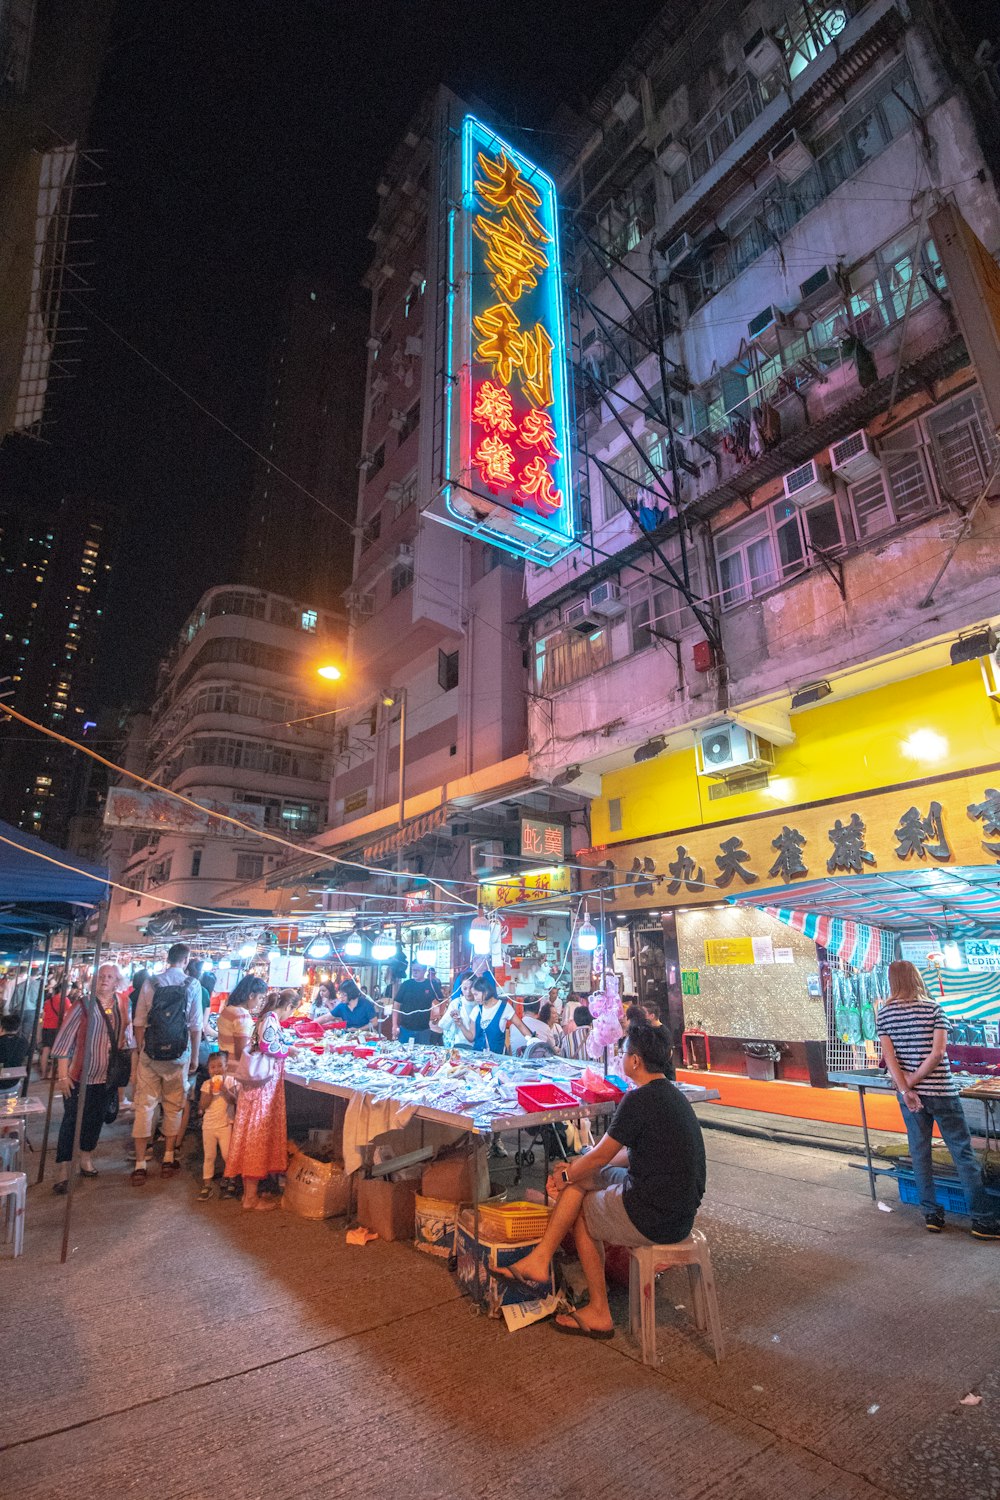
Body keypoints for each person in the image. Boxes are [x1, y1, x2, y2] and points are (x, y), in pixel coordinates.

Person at [503, 1023, 707, 1336]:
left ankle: (599, 1310)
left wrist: (570, 1172)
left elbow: (600, 1156)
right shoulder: (672, 1096)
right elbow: (618, 1155)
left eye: (624, 1052)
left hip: (655, 1217)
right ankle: (540, 1260)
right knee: (583, 1180)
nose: (621, 1058)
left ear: (635, 1061)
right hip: (680, 1213)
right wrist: (578, 1169)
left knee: (583, 1208)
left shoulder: (638, 1100)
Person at [877, 960, 1000, 1239]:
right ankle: (983, 1221)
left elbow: (890, 1057)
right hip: (942, 1092)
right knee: (963, 1155)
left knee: (920, 1154)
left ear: (892, 981)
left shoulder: (884, 1014)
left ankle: (932, 1216)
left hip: (910, 1097)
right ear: (918, 978)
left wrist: (906, 1087)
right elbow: (937, 1054)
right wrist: (914, 1082)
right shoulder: (933, 1009)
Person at [51, 963, 131, 1193]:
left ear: (117, 981)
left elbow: (127, 1038)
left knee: (94, 1120)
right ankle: (63, 1167)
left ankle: (85, 1157)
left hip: (107, 1077)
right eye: (101, 976)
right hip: (79, 1077)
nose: (105, 980)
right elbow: (64, 1040)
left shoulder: (124, 1004)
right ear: (94, 980)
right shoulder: (82, 1005)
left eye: (110, 977)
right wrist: (63, 1075)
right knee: (71, 1122)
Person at [130, 943, 203, 1186]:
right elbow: (195, 1026)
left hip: (150, 1055)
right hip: (179, 1056)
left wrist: (142, 1048)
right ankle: (169, 1158)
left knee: (145, 1106)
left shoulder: (150, 983)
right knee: (174, 1106)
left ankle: (140, 1163)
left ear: (168, 958)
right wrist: (193, 1058)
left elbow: (138, 1021)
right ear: (186, 960)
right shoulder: (193, 984)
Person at [227, 987, 297, 1210]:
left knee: (254, 1137)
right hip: (261, 1089)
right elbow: (268, 1046)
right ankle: (250, 1198)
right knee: (255, 1138)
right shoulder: (270, 1019)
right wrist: (290, 1051)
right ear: (288, 1007)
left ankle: (252, 1193)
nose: (290, 1016)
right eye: (292, 1011)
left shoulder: (266, 1018)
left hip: (261, 1087)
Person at [198, 1050, 236, 1201]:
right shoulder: (205, 1084)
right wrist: (209, 1092)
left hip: (225, 1124)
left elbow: (234, 1101)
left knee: (227, 1155)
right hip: (209, 1125)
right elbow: (202, 1106)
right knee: (209, 1156)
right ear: (209, 1070)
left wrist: (224, 1091)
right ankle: (207, 1184)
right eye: (213, 1067)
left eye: (220, 1065)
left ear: (226, 1067)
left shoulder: (230, 1081)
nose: (216, 1069)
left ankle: (231, 1179)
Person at [471, 975, 532, 1054]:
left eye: (476, 994)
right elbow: (471, 1037)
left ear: (485, 992)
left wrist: (532, 1040)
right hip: (477, 1059)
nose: (475, 998)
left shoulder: (504, 1007)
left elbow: (520, 1025)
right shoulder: (476, 1009)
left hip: (497, 1059)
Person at [217, 974, 266, 1062]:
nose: (260, 1002)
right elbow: (241, 1054)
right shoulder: (242, 1016)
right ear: (251, 996)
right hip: (235, 1070)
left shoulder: (228, 1009)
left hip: (224, 1064)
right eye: (260, 998)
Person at [392, 963, 438, 1045]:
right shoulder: (406, 984)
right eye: (413, 970)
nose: (415, 972)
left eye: (418, 970)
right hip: (405, 1029)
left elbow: (442, 1001)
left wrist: (438, 1016)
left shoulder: (431, 984)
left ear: (424, 970)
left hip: (424, 1030)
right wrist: (394, 1025)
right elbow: (396, 1005)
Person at [440, 970, 477, 1049]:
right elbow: (442, 1025)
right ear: (460, 988)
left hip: (477, 1046)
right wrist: (451, 1016)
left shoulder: (480, 1003)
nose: (468, 992)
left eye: (471, 988)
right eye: (465, 988)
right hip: (458, 1045)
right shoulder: (457, 1003)